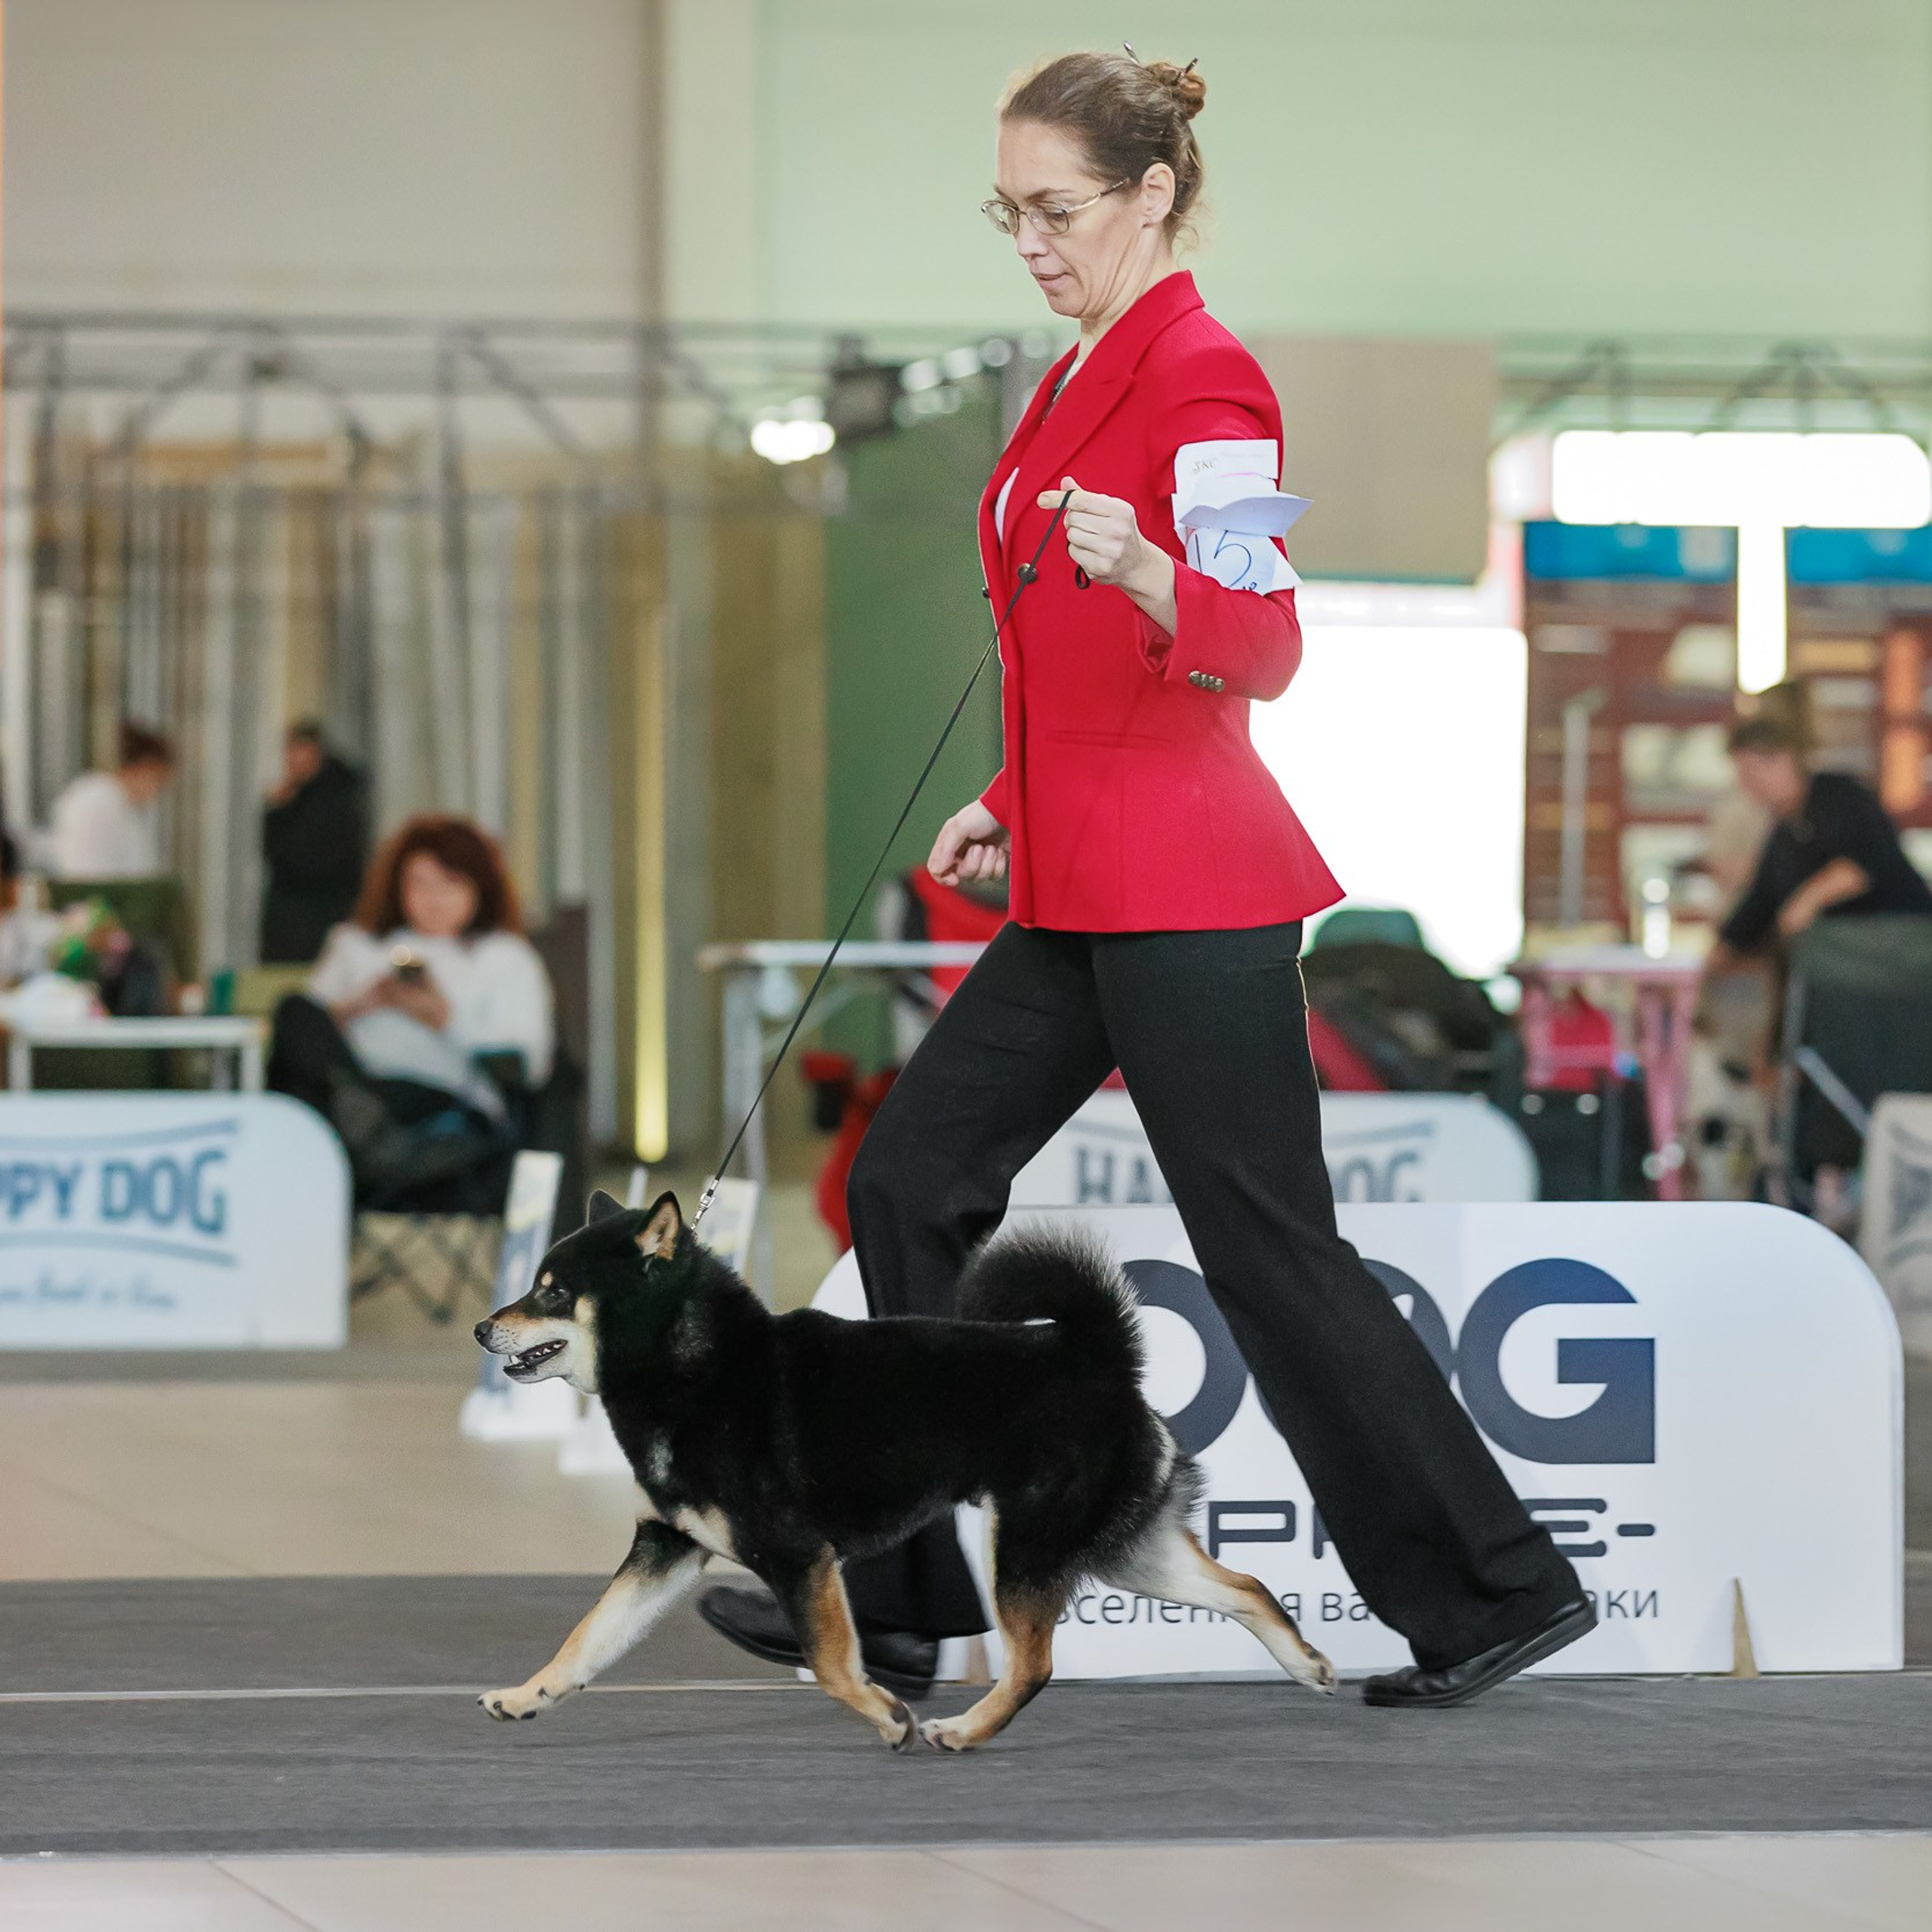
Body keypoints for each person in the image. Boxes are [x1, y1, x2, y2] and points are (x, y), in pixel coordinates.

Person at [700, 49, 1589, 1709]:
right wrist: (1004, 798)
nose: (1030, 243)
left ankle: (1491, 1592)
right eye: (1008, 214)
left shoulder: (1206, 381)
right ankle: (899, 1599)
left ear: (1154, 191)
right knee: (908, 1176)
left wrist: (1158, 573)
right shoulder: (1070, 378)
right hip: (1080, 880)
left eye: (1056, 209)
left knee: (1269, 1250)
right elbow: (1071, 668)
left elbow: (1265, 646)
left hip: (1189, 892)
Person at [268, 815, 554, 1211]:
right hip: (353, 1083)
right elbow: (308, 1036)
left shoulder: (504, 957)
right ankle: (359, 1118)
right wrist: (358, 1007)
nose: (433, 899)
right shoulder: (356, 945)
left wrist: (444, 1018)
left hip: (442, 1101)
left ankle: (362, 1126)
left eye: (450, 883)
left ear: (479, 889)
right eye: (419, 883)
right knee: (295, 1011)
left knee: (360, 1103)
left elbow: (529, 1064)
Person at [1706, 714, 1932, 964]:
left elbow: (1864, 862)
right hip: (1847, 958)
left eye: (1752, 770)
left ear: (1785, 758)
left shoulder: (1838, 794)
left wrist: (1807, 901)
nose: (1748, 784)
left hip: (1901, 944)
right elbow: (1760, 903)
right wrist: (1718, 954)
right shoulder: (1785, 832)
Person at [261, 721, 368, 964]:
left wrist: (279, 813)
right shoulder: (303, 795)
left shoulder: (333, 800)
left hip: (315, 915)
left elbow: (293, 855)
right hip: (302, 916)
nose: (291, 759)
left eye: (297, 750)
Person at [48, 722, 175, 879]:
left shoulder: (119, 804)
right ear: (146, 767)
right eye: (159, 780)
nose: (158, 792)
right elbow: (87, 874)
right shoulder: (96, 803)